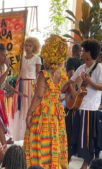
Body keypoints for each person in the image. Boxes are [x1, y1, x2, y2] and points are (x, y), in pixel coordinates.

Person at [24, 35, 68, 168]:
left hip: (43, 112)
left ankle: (39, 165)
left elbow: (38, 96)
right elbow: (62, 90)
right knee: (54, 139)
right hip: (57, 111)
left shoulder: (44, 75)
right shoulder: (61, 73)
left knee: (40, 140)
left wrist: (29, 112)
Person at [0, 43, 28, 159]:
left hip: (0, 97)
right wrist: (8, 69)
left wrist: (18, 93)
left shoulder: (3, 68)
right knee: (0, 124)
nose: (5, 58)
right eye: (3, 55)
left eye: (6, 55)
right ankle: (5, 150)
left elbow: (5, 84)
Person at [63, 39, 102, 169]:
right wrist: (66, 90)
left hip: (89, 108)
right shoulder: (81, 67)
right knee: (72, 134)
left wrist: (90, 82)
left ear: (89, 53)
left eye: (83, 51)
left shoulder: (98, 67)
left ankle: (85, 163)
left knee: (86, 138)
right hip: (76, 106)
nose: (81, 53)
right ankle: (66, 161)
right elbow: (72, 82)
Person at [8, 37, 42, 144]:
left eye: (30, 46)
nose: (27, 47)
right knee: (18, 110)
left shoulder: (37, 59)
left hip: (31, 86)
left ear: (34, 47)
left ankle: (30, 135)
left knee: (29, 109)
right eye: (26, 45)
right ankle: (14, 135)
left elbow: (38, 74)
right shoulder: (20, 58)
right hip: (20, 85)